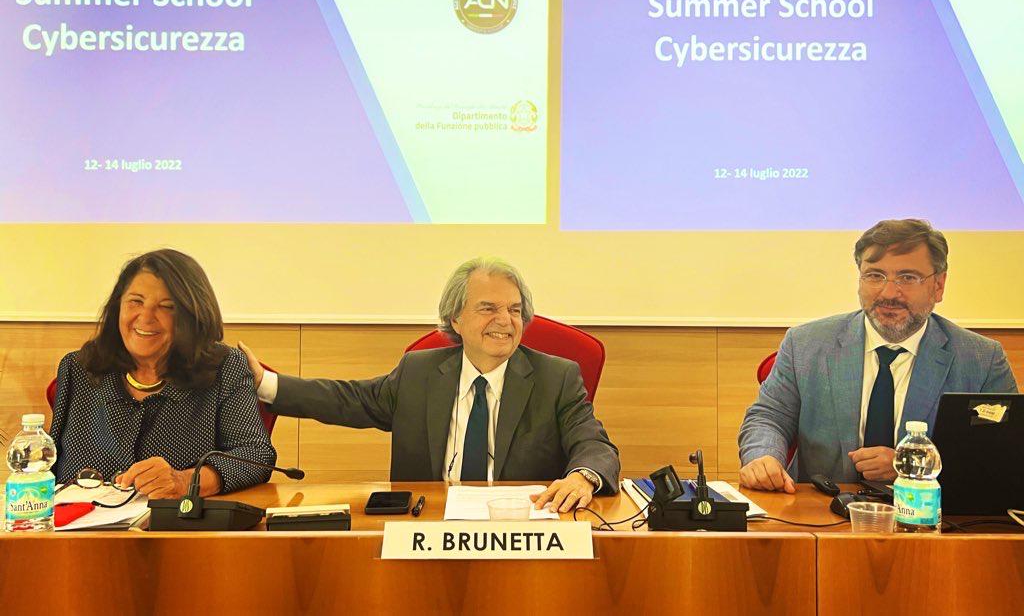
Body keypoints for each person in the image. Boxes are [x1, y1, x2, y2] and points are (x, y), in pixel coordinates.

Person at [244, 257, 620, 512]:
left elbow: (594, 445)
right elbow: (350, 400)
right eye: (488, 308)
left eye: (515, 310)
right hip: (430, 524)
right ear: (456, 319)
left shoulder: (556, 378)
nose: (505, 320)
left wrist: (583, 476)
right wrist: (266, 383)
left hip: (519, 529)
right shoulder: (419, 373)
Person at [738, 219, 1018, 491]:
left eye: (908, 278)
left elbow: (1002, 453)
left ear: (938, 286)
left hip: (933, 513)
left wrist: (910, 466)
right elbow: (769, 417)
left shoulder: (981, 360)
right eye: (875, 276)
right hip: (820, 510)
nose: (889, 293)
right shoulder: (806, 344)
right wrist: (763, 457)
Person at [50, 249, 277, 499]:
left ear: (191, 316)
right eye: (136, 301)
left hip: (178, 521)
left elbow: (255, 455)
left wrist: (185, 481)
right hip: (83, 521)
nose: (146, 317)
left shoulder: (224, 367)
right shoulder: (78, 368)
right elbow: (48, 466)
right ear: (117, 307)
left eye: (166, 307)